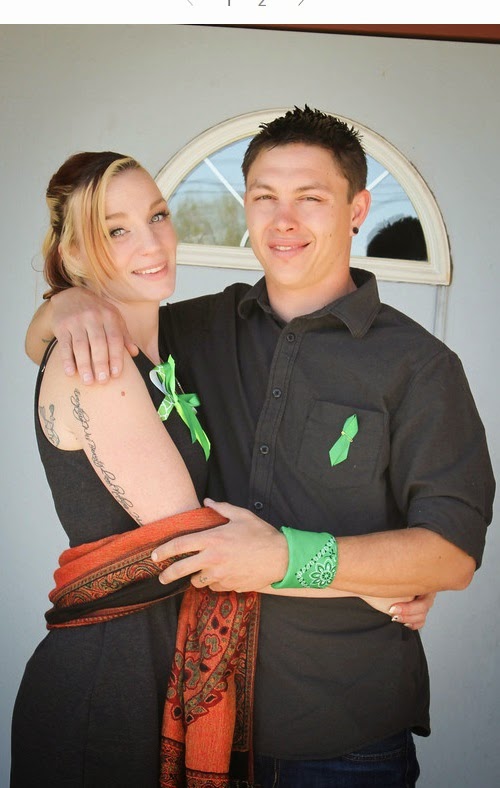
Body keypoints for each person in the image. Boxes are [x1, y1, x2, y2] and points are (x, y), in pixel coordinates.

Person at [23, 106, 488, 786]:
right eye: (265, 197)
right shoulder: (191, 329)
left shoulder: (421, 367)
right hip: (189, 720)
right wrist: (63, 306)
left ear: (357, 210)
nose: (283, 220)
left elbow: (451, 555)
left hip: (341, 738)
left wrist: (298, 560)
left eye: (311, 198)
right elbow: (76, 350)